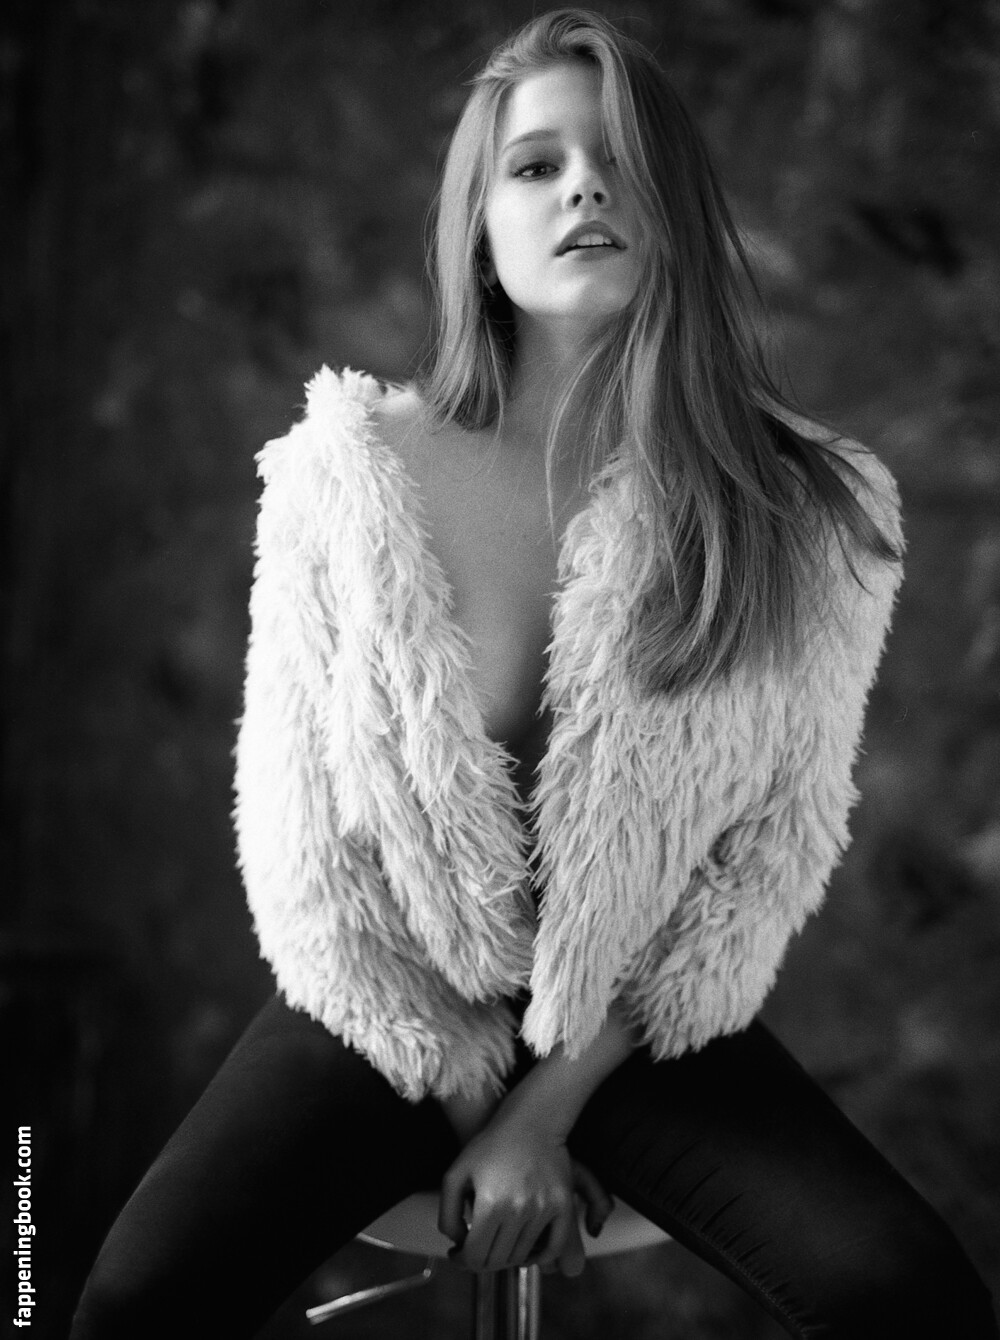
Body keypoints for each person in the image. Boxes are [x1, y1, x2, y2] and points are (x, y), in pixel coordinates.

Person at [71, 9, 998, 1338]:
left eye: (621, 162)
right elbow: (304, 850)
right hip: (389, 1002)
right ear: (481, 224)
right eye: (537, 164)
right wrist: (474, 1111)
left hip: (630, 1020)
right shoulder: (349, 475)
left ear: (678, 211)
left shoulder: (811, 512)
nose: (584, 189)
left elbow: (767, 856)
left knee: (910, 1298)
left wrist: (546, 1113)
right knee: (129, 1301)